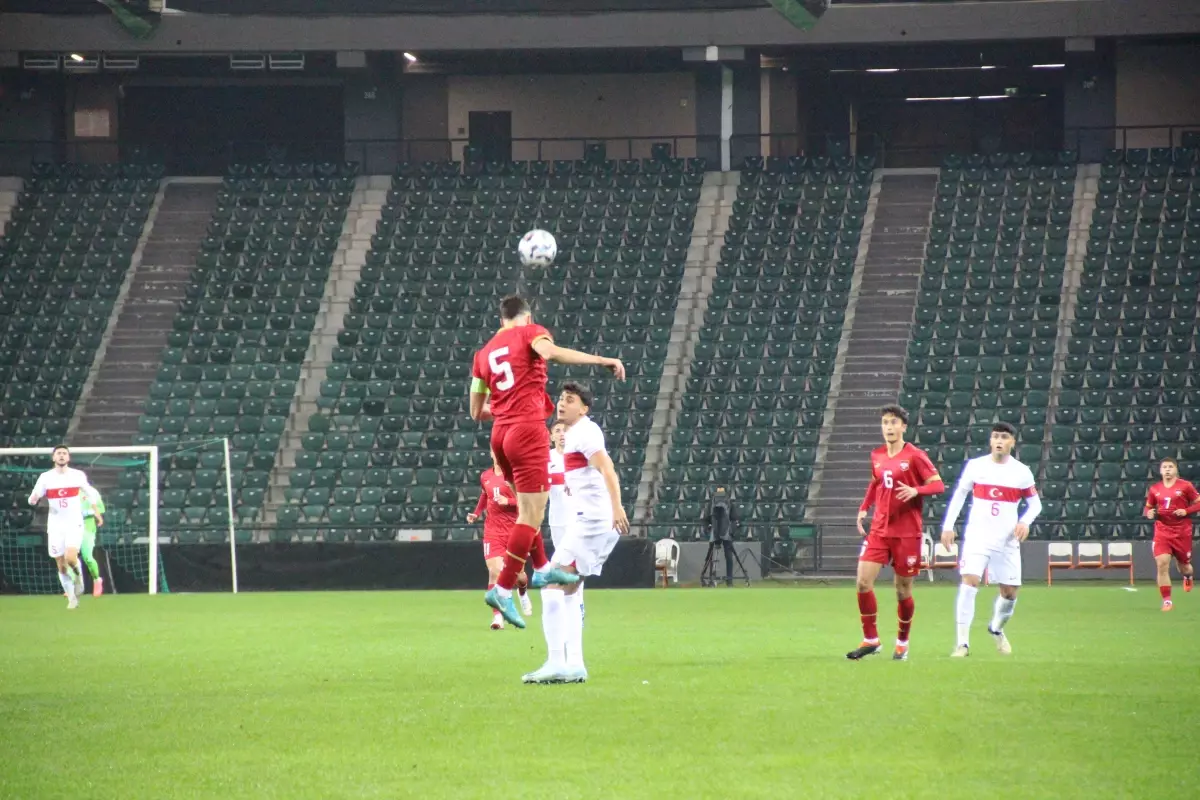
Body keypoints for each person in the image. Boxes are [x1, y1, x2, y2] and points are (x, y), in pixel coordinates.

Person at [469, 294, 625, 629]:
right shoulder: (530, 332)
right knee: (530, 514)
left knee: (529, 509)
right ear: (526, 317)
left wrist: (504, 408)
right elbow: (551, 353)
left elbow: (475, 411)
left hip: (500, 434)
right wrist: (602, 360)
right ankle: (503, 589)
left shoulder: (482, 355)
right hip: (526, 432)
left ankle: (540, 568)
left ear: (501, 320)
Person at [523, 383, 630, 684]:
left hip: (592, 522)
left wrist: (617, 507)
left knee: (549, 584)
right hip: (598, 522)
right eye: (561, 398)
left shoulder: (584, 432)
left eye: (570, 400)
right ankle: (576, 665)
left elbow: (608, 469)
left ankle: (557, 662)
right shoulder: (574, 436)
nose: (562, 403)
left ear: (584, 408)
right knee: (569, 590)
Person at [847, 405, 944, 662]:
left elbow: (938, 484)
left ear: (903, 427)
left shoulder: (915, 455)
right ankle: (871, 639)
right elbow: (875, 482)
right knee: (862, 581)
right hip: (879, 529)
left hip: (906, 532)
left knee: (902, 590)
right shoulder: (877, 455)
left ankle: (902, 641)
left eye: (893, 422)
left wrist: (916, 491)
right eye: (885, 423)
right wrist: (864, 508)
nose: (888, 427)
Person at [940, 422, 1042, 657]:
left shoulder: (1021, 472)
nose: (999, 440)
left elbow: (1036, 504)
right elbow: (959, 495)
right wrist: (948, 526)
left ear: (1012, 442)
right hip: (978, 535)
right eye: (995, 436)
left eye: (1004, 437)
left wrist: (1024, 521)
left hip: (1006, 540)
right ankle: (962, 644)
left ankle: (996, 628)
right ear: (990, 441)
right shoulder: (976, 466)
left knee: (1009, 593)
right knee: (969, 581)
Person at [467, 453, 533, 629]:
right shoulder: (485, 476)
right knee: (495, 571)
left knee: (520, 577)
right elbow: (484, 496)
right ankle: (498, 617)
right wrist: (476, 513)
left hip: (514, 531)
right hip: (493, 532)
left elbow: (525, 500)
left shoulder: (514, 475)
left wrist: (508, 501)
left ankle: (523, 592)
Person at [27, 445, 92, 609]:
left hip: (74, 522)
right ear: (53, 458)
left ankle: (79, 578)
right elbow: (33, 497)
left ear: (68, 458)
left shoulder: (77, 475)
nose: (62, 456)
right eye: (59, 453)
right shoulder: (45, 477)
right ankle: (72, 598)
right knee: (61, 564)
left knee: (71, 557)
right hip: (55, 524)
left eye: (64, 453)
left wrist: (91, 502)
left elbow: (89, 490)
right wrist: (33, 499)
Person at [1145, 457, 1200, 611]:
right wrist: (1149, 513)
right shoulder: (1155, 489)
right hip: (1162, 531)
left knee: (1184, 567)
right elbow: (1148, 507)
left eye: (1170, 467)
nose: (1168, 470)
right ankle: (1167, 601)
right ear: (1160, 470)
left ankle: (1188, 577)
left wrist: (1186, 510)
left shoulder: (1185, 486)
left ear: (1176, 469)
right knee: (1162, 564)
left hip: (1182, 532)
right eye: (1165, 467)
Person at [702, 486, 739, 586]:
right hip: (714, 532)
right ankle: (710, 578)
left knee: (728, 556)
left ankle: (729, 579)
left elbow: (734, 519)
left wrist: (731, 531)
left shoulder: (730, 503)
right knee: (710, 557)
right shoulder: (711, 504)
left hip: (726, 532)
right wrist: (708, 530)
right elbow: (706, 519)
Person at [80, 484, 106, 597]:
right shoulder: (66, 491)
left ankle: (97, 580)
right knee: (69, 557)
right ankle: (71, 586)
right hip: (70, 527)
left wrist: (86, 513)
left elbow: (101, 509)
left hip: (88, 526)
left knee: (88, 558)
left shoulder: (92, 492)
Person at [547, 420, 569, 549]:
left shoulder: (580, 456)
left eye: (565, 430)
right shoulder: (546, 458)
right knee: (562, 560)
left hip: (579, 518)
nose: (562, 434)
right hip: (557, 518)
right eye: (558, 431)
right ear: (552, 437)